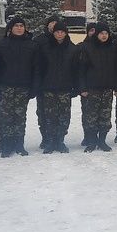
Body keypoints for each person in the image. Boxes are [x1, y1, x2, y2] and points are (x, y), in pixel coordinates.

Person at [0, 17, 39, 158]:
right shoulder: (1, 45)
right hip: (5, 87)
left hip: (23, 87)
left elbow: (36, 68)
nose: (19, 28)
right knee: (5, 117)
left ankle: (19, 144)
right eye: (16, 26)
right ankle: (6, 144)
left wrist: (34, 87)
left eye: (21, 25)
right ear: (10, 28)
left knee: (20, 117)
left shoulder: (32, 46)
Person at [38, 22, 79, 154]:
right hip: (48, 88)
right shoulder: (45, 48)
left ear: (66, 33)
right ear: (53, 33)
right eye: (57, 32)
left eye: (62, 32)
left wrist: (75, 87)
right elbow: (40, 68)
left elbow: (76, 70)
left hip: (65, 88)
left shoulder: (72, 49)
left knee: (64, 116)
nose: (59, 34)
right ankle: (50, 141)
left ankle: (60, 140)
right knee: (49, 116)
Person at [78, 21, 116, 153]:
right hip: (92, 88)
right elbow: (81, 70)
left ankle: (102, 140)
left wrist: (116, 87)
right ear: (97, 34)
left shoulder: (112, 48)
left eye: (106, 33)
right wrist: (82, 88)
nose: (104, 36)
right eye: (101, 33)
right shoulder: (88, 48)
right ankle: (92, 141)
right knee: (91, 116)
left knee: (105, 116)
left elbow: (115, 69)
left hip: (107, 88)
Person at [33, 15, 60, 149]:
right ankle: (46, 138)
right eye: (52, 22)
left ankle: (57, 138)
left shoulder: (63, 40)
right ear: (47, 25)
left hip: (58, 82)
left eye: (56, 22)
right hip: (43, 82)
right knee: (43, 112)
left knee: (58, 113)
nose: (54, 25)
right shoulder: (39, 40)